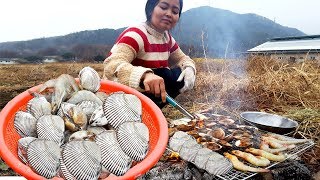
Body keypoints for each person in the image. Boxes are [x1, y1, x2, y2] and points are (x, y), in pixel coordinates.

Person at [103, 0, 196, 108]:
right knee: (164, 74)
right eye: (163, 7)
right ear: (150, 9)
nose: (169, 14)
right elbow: (111, 65)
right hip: (118, 97)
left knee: (177, 74)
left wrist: (189, 68)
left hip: (147, 93)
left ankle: (153, 109)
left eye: (175, 11)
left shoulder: (167, 38)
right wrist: (144, 75)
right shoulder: (136, 34)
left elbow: (182, 58)